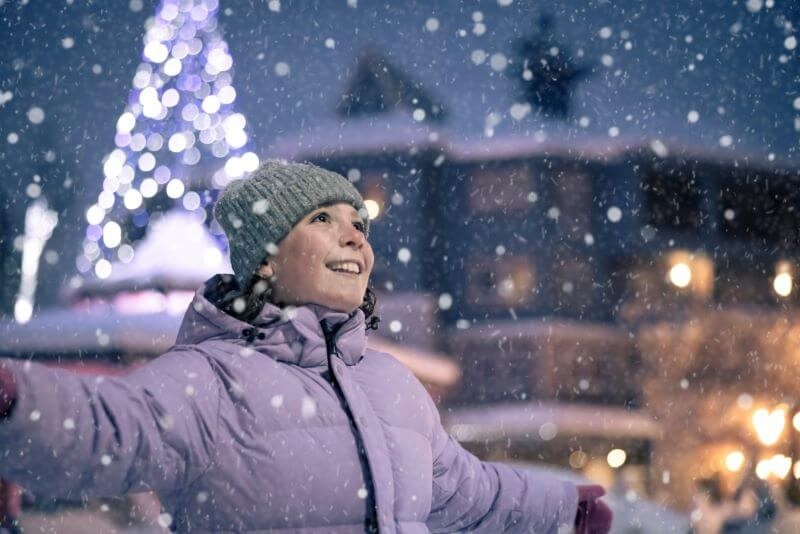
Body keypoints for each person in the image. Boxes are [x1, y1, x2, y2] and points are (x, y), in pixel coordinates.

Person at [0, 161, 611, 533]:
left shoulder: (390, 383)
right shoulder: (210, 379)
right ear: (265, 257)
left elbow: (461, 489)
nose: (353, 237)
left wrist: (560, 507)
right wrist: (14, 401)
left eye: (359, 225)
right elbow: (107, 429)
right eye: (322, 220)